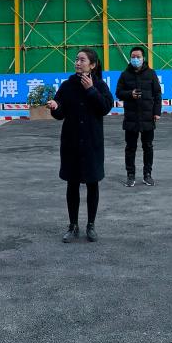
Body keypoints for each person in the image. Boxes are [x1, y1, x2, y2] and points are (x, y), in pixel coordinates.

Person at [50, 48, 114, 243]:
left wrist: (91, 90)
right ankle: (73, 225)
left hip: (92, 143)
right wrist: (55, 107)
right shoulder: (67, 85)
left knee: (93, 183)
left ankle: (91, 225)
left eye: (82, 60)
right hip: (71, 143)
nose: (77, 63)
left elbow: (105, 107)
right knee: (72, 184)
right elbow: (60, 113)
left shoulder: (99, 85)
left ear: (92, 65)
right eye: (76, 59)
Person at [115, 46, 161, 187]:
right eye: (133, 57)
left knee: (148, 147)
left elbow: (157, 94)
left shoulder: (151, 74)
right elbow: (118, 93)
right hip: (131, 118)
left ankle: (148, 175)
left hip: (148, 117)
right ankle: (131, 175)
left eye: (138, 57)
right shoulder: (124, 75)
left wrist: (157, 112)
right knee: (130, 148)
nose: (135, 59)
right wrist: (130, 94)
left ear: (143, 58)